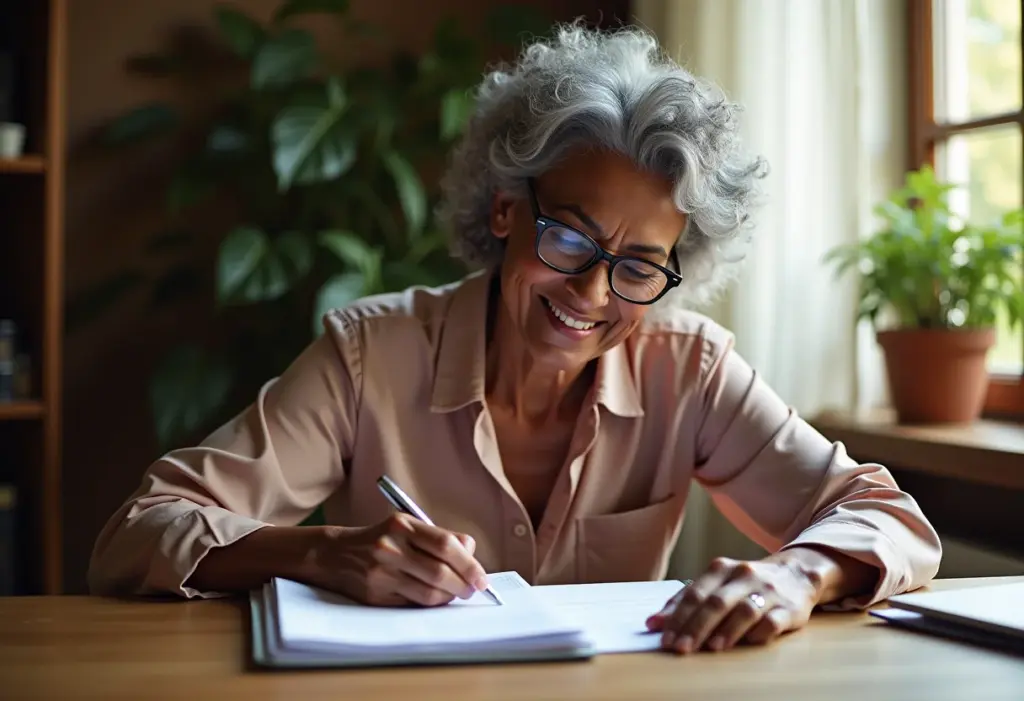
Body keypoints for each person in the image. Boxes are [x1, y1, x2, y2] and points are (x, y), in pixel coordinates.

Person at [89, 24, 941, 655]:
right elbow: (139, 530)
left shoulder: (691, 369)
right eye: (569, 238)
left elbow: (890, 518)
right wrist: (320, 552)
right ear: (505, 209)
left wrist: (797, 572)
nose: (592, 293)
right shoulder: (368, 356)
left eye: (639, 266)